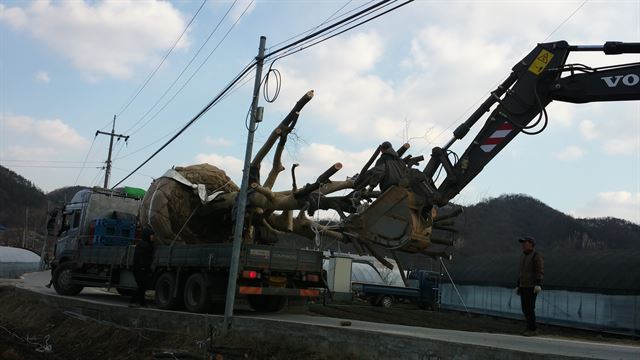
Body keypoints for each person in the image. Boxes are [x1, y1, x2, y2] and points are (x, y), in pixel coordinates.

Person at [515, 236, 544, 336]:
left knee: (529, 307)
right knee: (524, 308)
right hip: (524, 286)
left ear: (531, 244)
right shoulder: (523, 256)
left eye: (525, 243)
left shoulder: (536, 255)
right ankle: (528, 327)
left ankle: (533, 329)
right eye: (522, 243)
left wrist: (538, 283)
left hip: (531, 286)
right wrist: (518, 285)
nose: (523, 245)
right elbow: (521, 272)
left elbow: (539, 270)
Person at [130, 228, 155, 307]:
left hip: (145, 269)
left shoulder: (149, 244)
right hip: (139, 269)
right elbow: (139, 256)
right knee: (141, 286)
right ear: (147, 235)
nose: (152, 237)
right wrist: (142, 266)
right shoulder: (142, 244)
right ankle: (133, 301)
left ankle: (142, 303)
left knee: (143, 286)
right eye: (151, 235)